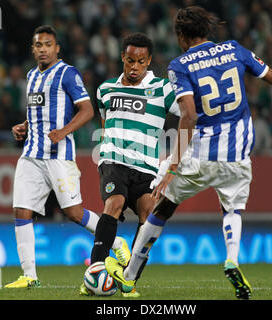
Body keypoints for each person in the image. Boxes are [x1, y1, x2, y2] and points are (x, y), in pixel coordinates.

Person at [106, 6, 272, 300]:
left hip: (200, 154)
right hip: (238, 153)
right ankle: (231, 259)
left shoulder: (180, 65)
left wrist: (173, 165)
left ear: (180, 35)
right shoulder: (235, 50)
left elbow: (188, 116)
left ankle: (129, 277)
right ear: (206, 29)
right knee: (232, 209)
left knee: (162, 209)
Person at [4, 25, 130, 289]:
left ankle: (117, 242)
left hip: (59, 155)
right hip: (31, 155)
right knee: (21, 210)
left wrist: (64, 131)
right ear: (33, 48)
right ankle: (30, 276)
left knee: (73, 212)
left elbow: (86, 110)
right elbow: (37, 111)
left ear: (57, 47)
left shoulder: (67, 73)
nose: (43, 49)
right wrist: (24, 126)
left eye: (48, 44)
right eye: (39, 45)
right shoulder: (30, 76)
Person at [86, 32, 180, 297]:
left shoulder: (163, 90)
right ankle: (93, 275)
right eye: (130, 61)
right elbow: (104, 123)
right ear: (122, 58)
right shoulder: (105, 89)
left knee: (149, 212)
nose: (134, 67)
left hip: (147, 166)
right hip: (113, 160)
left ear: (149, 60)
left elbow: (188, 115)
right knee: (113, 204)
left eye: (140, 61)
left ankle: (130, 279)